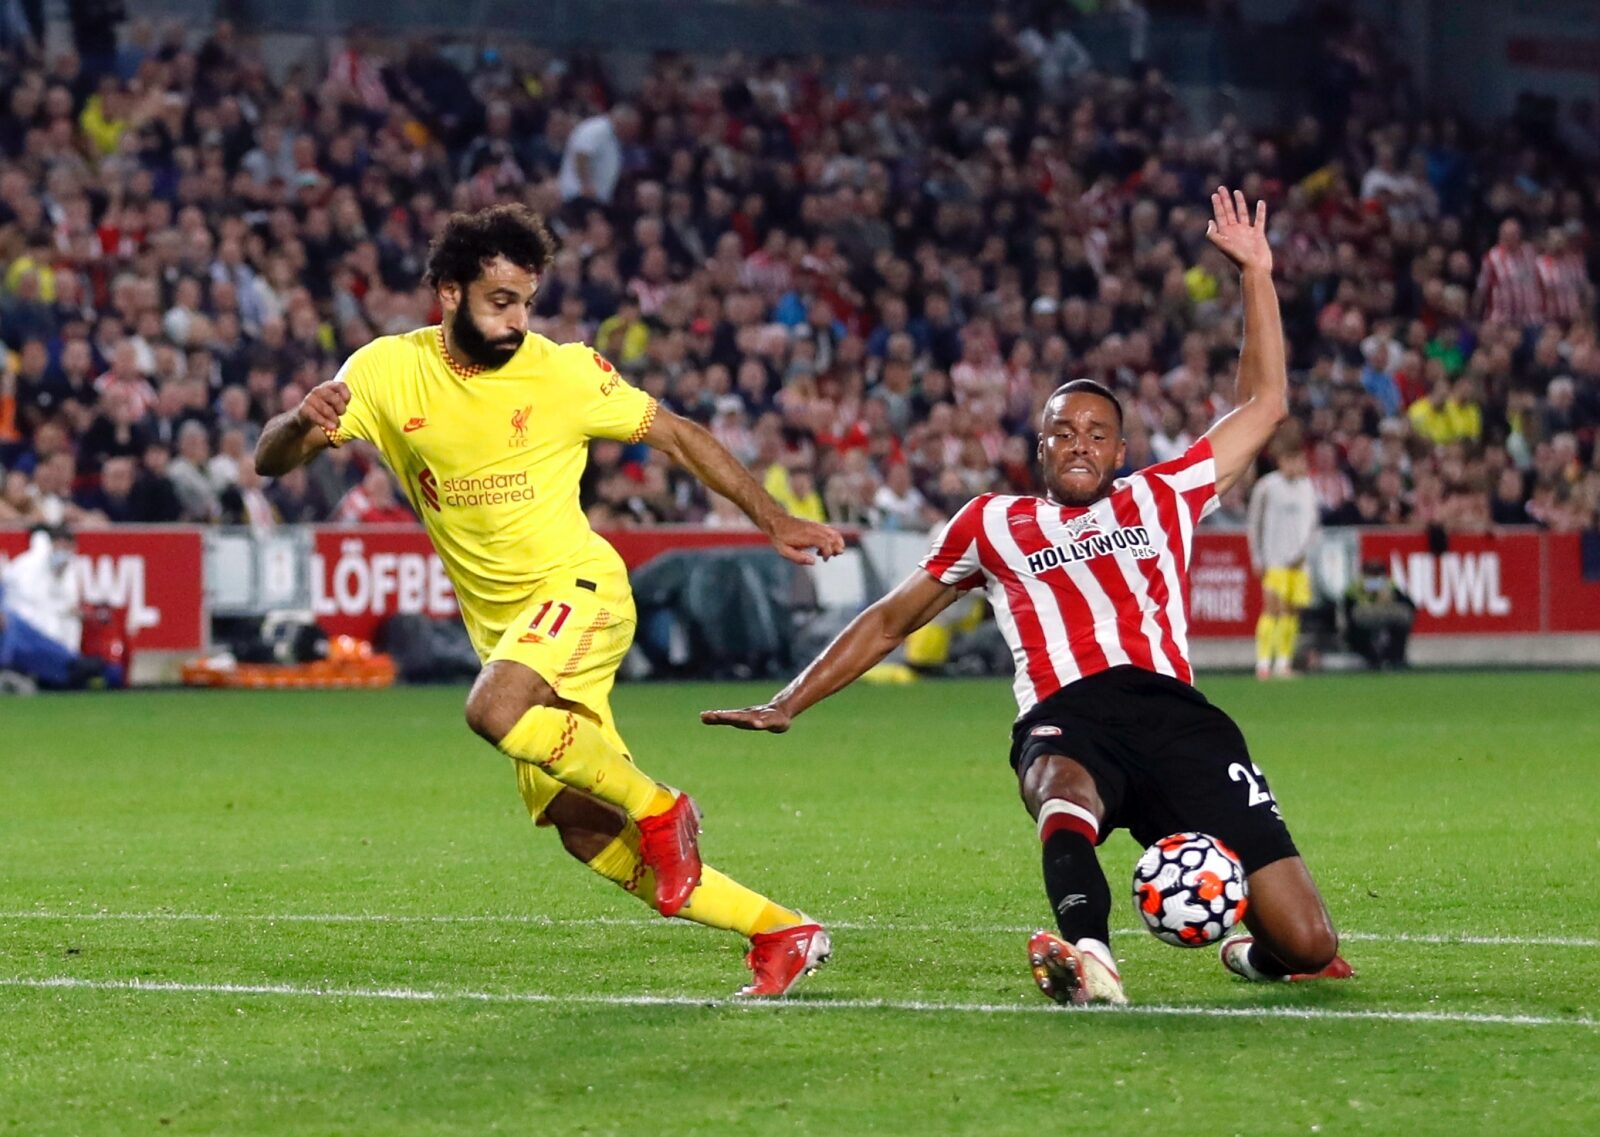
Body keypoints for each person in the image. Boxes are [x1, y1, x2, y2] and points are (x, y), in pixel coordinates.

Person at [704, 189, 1352, 1006]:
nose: (1078, 443)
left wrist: (1256, 273)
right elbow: (889, 619)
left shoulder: (1166, 493)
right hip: (1067, 711)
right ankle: (1090, 955)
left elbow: (1266, 404)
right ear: (1038, 446)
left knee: (1308, 940)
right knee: (1057, 785)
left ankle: (1255, 956)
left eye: (1095, 433)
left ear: (1120, 448)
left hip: (1177, 716)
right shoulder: (991, 522)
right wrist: (790, 700)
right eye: (1061, 431)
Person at [255, 203, 844, 997]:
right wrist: (300, 420)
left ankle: (665, 808)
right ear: (450, 293)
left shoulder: (563, 371)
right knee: (585, 831)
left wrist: (772, 519)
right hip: (508, 632)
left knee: (492, 711)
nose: (518, 320)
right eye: (502, 301)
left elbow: (676, 433)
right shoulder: (387, 371)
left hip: (583, 590)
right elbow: (271, 460)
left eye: (528, 301)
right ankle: (780, 930)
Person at [1247, 434, 1320, 680]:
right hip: (1275, 560)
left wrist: (1306, 553)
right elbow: (1254, 523)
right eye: (1293, 460)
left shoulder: (1308, 487)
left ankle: (1283, 663)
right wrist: (1257, 557)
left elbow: (1312, 525)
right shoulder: (1267, 487)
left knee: (1291, 613)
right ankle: (1263, 663)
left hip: (1299, 563)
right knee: (1272, 611)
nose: (1298, 465)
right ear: (1282, 461)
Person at [1343, 560, 1415, 670]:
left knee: (1400, 624)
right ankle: (1379, 658)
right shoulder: (1358, 586)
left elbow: (1409, 604)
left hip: (1383, 616)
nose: (1375, 579)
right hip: (1366, 618)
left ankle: (1392, 658)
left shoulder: (1388, 584)